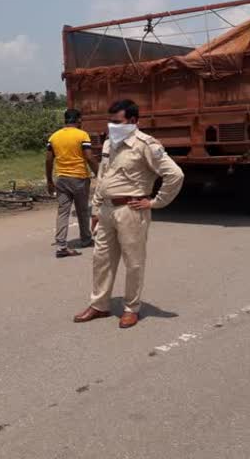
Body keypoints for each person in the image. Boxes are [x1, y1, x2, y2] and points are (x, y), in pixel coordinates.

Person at [73, 99, 184, 329]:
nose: (111, 126)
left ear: (133, 121)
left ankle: (131, 308)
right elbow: (103, 177)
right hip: (106, 210)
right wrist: (95, 209)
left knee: (133, 262)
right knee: (100, 259)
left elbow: (175, 175)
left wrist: (155, 202)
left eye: (117, 122)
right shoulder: (108, 144)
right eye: (109, 121)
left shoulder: (146, 145)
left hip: (131, 210)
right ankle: (99, 305)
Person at [46, 109, 99, 258]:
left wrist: (50, 181)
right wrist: (100, 174)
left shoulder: (54, 137)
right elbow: (89, 157)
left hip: (61, 179)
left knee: (63, 211)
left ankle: (61, 246)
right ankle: (86, 239)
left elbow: (49, 160)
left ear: (65, 120)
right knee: (82, 210)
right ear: (79, 120)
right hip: (79, 178)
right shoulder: (82, 135)